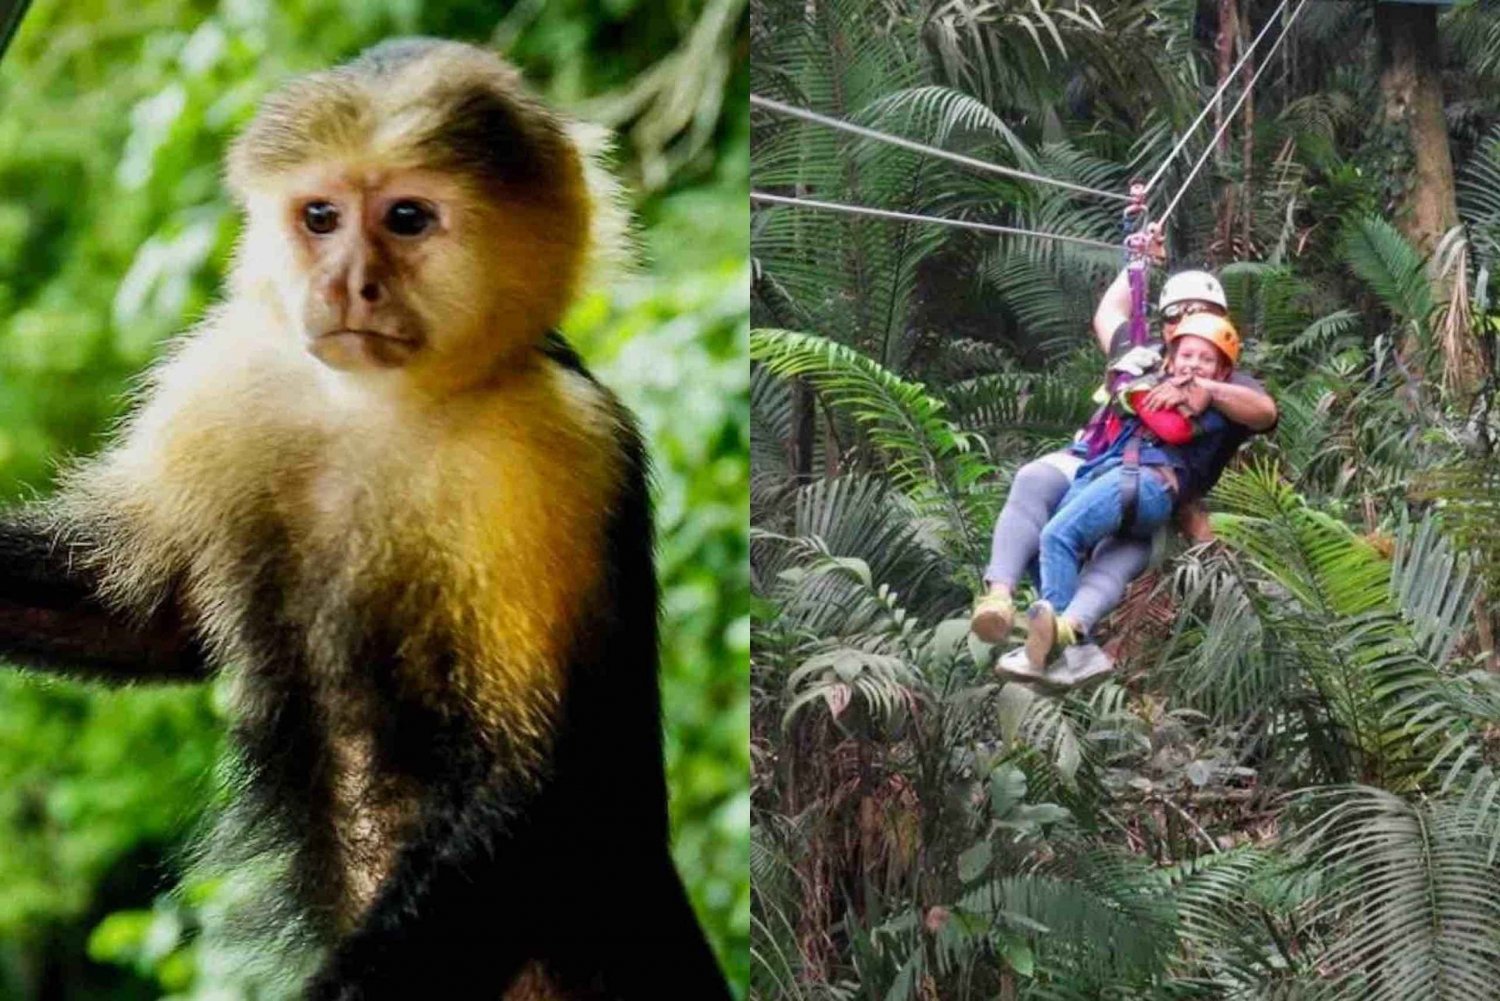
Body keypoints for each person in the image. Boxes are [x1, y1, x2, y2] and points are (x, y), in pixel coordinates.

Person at [971, 261, 1277, 681]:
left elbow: (1263, 412)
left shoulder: (1227, 377)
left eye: (1203, 311)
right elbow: (1108, 314)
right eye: (1179, 313)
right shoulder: (1143, 354)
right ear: (1167, 323)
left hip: (1157, 485)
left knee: (1097, 544)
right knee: (1038, 490)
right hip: (1101, 462)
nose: (1191, 321)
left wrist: (1206, 388)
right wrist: (1139, 263)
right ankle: (1019, 609)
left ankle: (1062, 631)